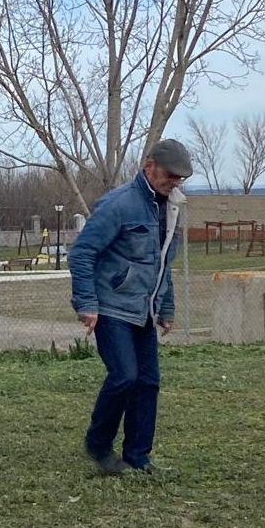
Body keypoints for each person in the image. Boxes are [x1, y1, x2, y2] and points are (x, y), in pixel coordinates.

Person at [67, 138, 193, 475]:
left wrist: (166, 307)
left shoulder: (172, 208)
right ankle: (98, 445)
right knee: (124, 376)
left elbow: (163, 261)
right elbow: (81, 253)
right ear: (149, 166)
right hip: (111, 307)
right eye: (170, 174)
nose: (175, 182)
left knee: (148, 382)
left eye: (181, 178)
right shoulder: (119, 204)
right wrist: (87, 303)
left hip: (145, 311)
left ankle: (138, 457)